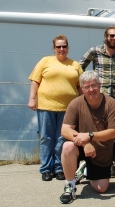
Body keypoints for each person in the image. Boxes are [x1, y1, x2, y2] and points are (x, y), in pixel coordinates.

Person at [58, 71, 115, 204]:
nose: (91, 89)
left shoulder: (111, 103)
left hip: (101, 152)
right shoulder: (75, 103)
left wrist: (90, 136)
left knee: (101, 188)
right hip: (82, 145)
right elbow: (64, 130)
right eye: (87, 87)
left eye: (94, 85)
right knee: (67, 146)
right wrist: (85, 143)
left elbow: (112, 133)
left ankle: (85, 169)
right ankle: (70, 185)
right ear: (82, 89)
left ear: (100, 85)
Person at [28, 35, 83, 182]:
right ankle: (46, 169)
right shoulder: (45, 61)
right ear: (54, 48)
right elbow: (35, 81)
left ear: (68, 48)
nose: (61, 49)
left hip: (68, 109)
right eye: (58, 46)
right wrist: (32, 99)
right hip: (46, 106)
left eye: (64, 46)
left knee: (62, 138)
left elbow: (80, 86)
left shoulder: (75, 64)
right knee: (46, 137)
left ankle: (59, 168)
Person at [79, 26, 115, 115]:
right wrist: (85, 85)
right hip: (99, 94)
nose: (114, 38)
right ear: (105, 36)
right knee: (98, 121)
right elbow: (80, 67)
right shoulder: (95, 50)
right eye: (112, 36)